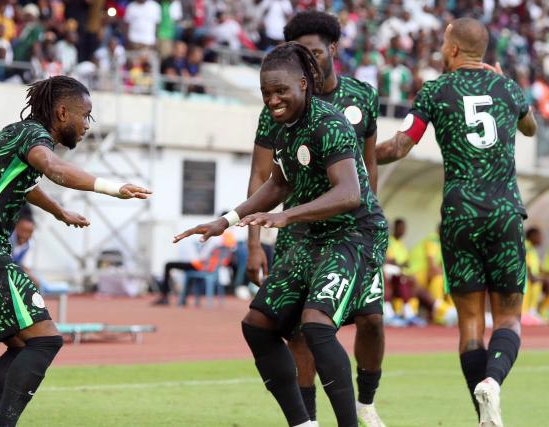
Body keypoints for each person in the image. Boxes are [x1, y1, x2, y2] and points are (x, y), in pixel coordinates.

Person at [175, 41, 387, 427]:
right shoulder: (281, 125)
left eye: (281, 91)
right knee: (258, 325)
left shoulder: (329, 123)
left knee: (317, 324)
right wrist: (226, 220)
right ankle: (304, 424)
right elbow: (277, 184)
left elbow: (349, 193)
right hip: (312, 236)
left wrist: (287, 219)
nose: (272, 100)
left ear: (304, 84)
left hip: (354, 234)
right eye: (266, 92)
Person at [0, 75, 151, 427]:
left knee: (24, 346)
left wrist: (58, 211)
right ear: (62, 112)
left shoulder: (12, 133)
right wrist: (111, 188)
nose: (87, 125)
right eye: (86, 115)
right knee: (46, 341)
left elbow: (28, 183)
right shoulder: (35, 137)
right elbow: (52, 168)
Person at [376, 17, 537, 427]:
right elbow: (531, 127)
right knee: (508, 318)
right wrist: (507, 86)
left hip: (460, 212)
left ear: (451, 50)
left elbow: (400, 146)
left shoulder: (434, 91)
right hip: (503, 211)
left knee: (469, 324)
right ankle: (495, 383)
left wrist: (351, 156)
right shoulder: (508, 89)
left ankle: (484, 415)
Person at [245, 11, 387, 426]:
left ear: (332, 50)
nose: (310, 59)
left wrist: (366, 220)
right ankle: (308, 419)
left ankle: (366, 403)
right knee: (302, 333)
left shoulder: (362, 97)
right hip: (298, 230)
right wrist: (253, 242)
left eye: (315, 51)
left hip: (350, 229)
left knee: (372, 319)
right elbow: (265, 177)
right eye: (301, 52)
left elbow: (369, 163)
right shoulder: (279, 104)